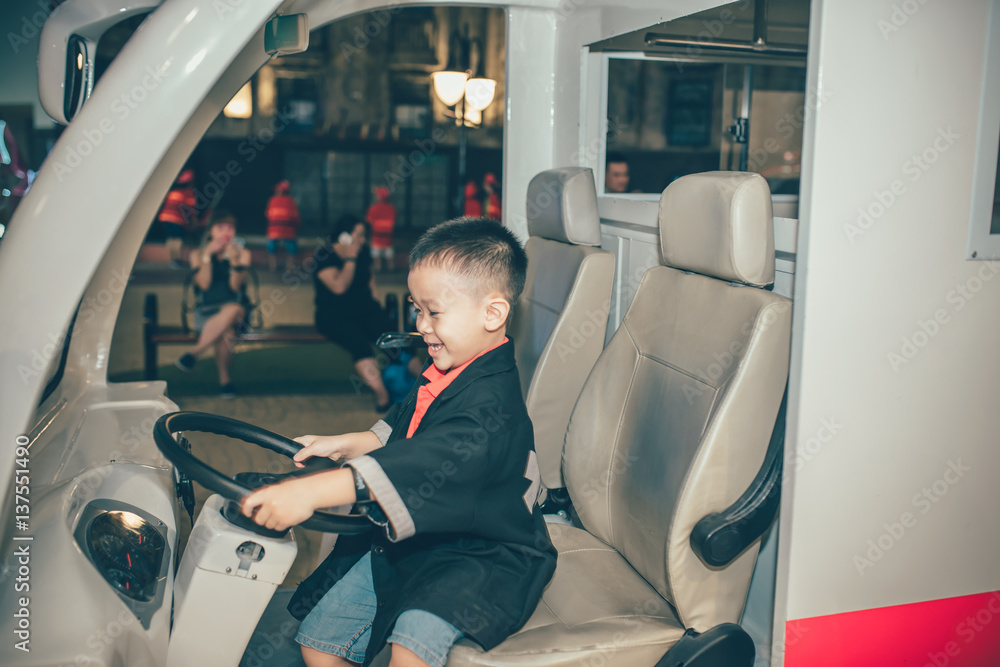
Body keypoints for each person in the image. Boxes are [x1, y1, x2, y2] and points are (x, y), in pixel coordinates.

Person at [241, 217, 556, 667]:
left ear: (493, 314)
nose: (421, 325)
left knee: (410, 651)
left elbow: (423, 464)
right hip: (433, 527)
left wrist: (309, 490)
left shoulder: (491, 409)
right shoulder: (447, 371)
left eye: (434, 312)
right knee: (319, 643)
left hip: (484, 549)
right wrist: (351, 442)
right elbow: (403, 431)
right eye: (416, 309)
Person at [314, 214, 396, 410]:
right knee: (360, 345)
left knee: (393, 337)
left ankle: (425, 385)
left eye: (363, 235)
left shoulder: (364, 250)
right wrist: (350, 258)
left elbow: (370, 280)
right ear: (344, 236)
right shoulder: (325, 255)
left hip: (364, 308)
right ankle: (383, 396)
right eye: (358, 235)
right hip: (333, 314)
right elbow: (339, 287)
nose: (362, 240)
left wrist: (376, 306)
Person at [174, 212, 252, 398]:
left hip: (237, 310)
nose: (226, 232)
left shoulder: (243, 253)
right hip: (206, 312)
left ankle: (193, 353)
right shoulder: (197, 254)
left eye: (230, 228)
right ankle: (225, 380)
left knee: (232, 310)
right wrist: (207, 256)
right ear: (211, 232)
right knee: (227, 332)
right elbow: (204, 284)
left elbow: (235, 286)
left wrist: (233, 259)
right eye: (221, 228)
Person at [158, 169, 198, 268]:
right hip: (176, 219)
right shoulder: (189, 193)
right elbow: (191, 210)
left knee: (171, 238)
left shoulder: (173, 192)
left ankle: (173, 260)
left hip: (165, 218)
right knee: (177, 239)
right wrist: (194, 222)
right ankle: (177, 260)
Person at [266, 179, 301, 272]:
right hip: (288, 231)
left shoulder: (272, 200)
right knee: (292, 248)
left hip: (274, 230)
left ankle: (272, 266)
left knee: (271, 247)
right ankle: (289, 267)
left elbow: (268, 215)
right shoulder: (291, 201)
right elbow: (296, 217)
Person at [366, 186, 396, 273]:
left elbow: (369, 220)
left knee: (376, 254)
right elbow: (393, 221)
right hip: (388, 236)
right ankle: (391, 268)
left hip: (376, 235)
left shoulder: (373, 208)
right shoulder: (392, 208)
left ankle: (378, 268)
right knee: (389, 252)